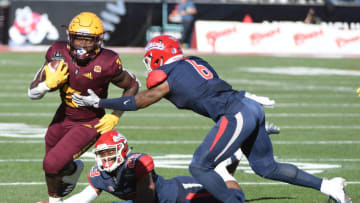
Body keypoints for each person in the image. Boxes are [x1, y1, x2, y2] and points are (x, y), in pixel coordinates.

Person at [72, 35, 352, 203]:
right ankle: (330, 186)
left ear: (157, 56)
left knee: (199, 165)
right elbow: (214, 89)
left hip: (236, 113)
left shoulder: (170, 76)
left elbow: (141, 100)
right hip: (245, 107)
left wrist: (102, 102)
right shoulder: (195, 61)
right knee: (267, 168)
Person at [28, 12, 140, 203]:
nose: (82, 45)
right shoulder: (57, 52)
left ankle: (55, 201)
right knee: (56, 165)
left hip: (90, 122)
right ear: (70, 37)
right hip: (64, 115)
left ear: (98, 41)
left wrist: (115, 115)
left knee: (51, 164)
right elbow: (31, 93)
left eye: (88, 40)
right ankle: (73, 170)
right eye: (78, 39)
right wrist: (46, 85)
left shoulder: (107, 62)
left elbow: (133, 85)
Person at [61, 130, 244, 203]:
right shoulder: (97, 174)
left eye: (110, 152)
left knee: (236, 199)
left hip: (180, 194)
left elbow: (146, 200)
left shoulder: (136, 163)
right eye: (102, 154)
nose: (106, 157)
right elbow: (84, 197)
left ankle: (223, 170)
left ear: (122, 151)